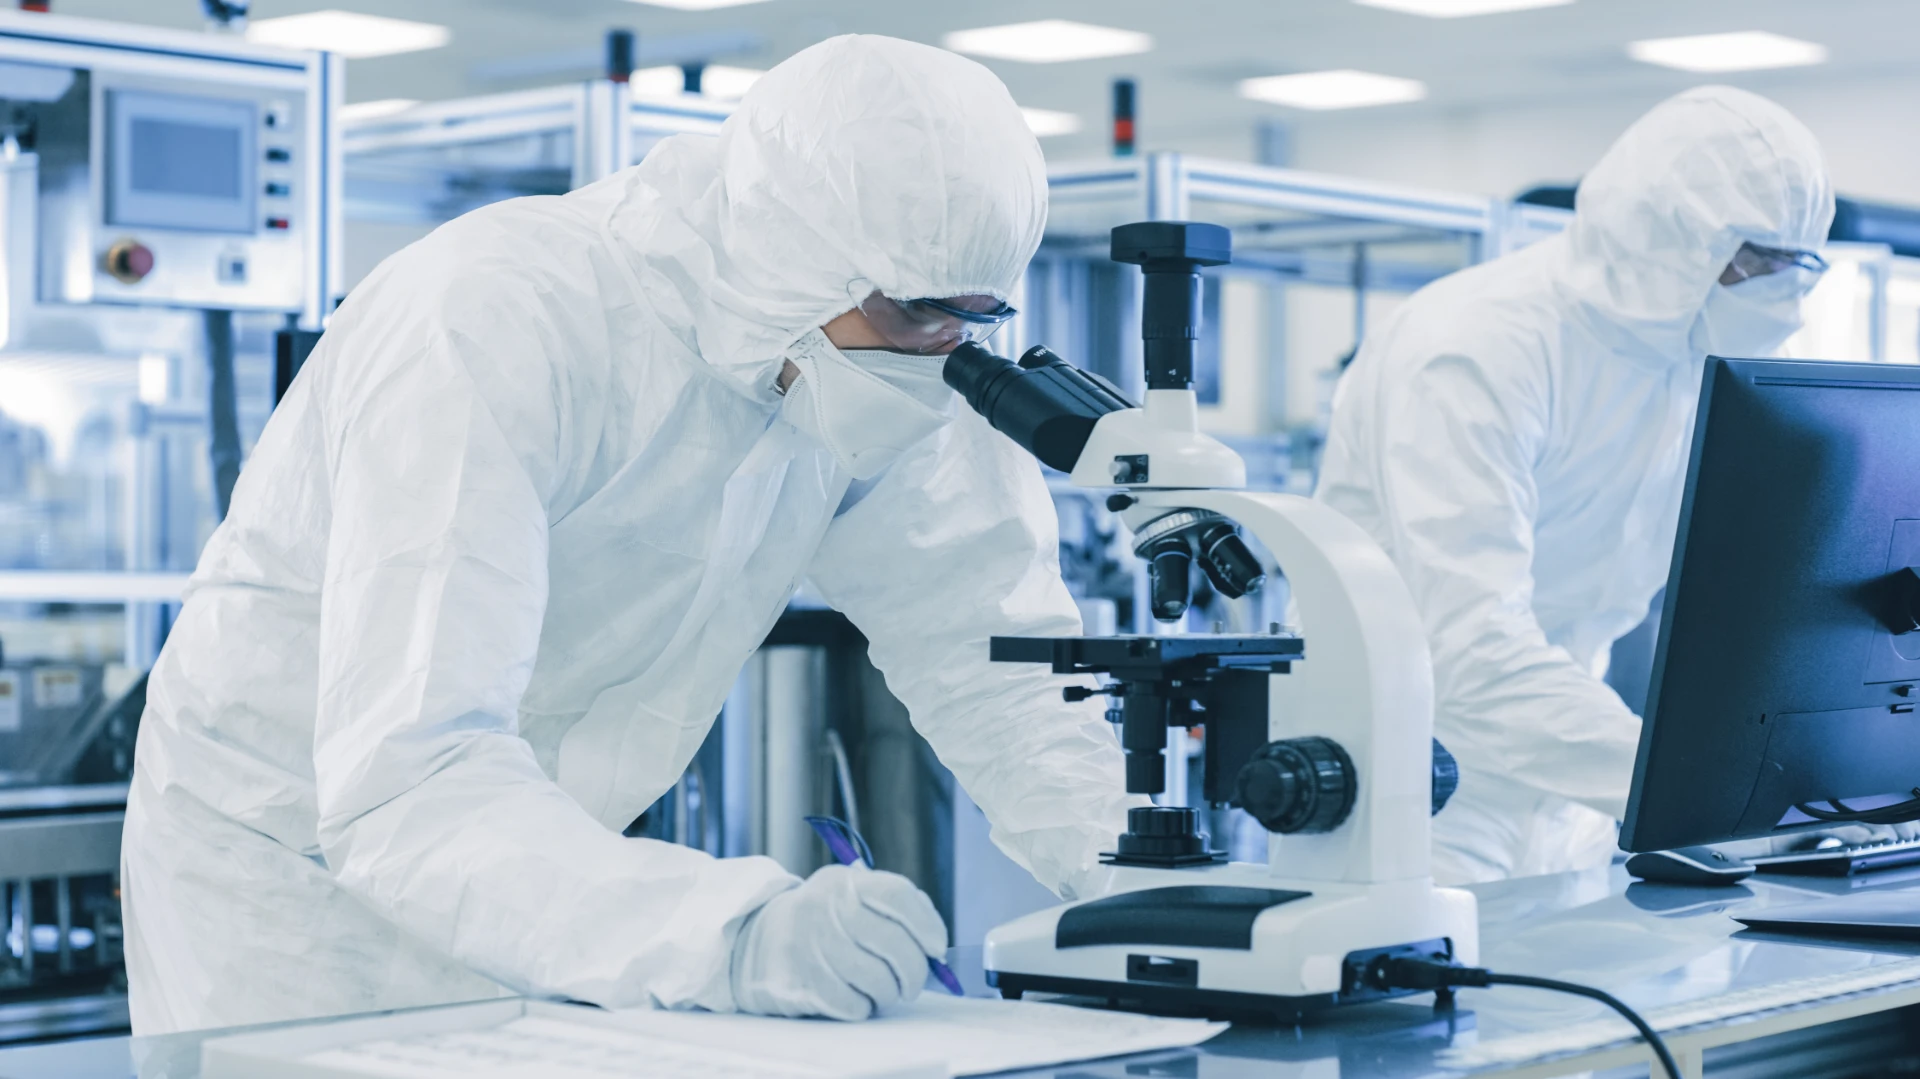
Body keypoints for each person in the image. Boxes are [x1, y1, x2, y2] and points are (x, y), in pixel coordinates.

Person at [120, 35, 1137, 1034]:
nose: (943, 352)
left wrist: (1146, 875)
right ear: (800, 253)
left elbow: (998, 662)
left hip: (541, 875)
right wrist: (729, 935)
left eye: (971, 319)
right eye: (918, 313)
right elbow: (412, 775)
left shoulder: (896, 353)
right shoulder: (496, 317)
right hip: (286, 891)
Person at [1315, 86, 1836, 885]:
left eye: (1796, 265)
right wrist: (1692, 786)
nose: (1780, 294)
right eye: (1756, 263)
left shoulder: (1688, 356)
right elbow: (1468, 648)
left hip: (1575, 767)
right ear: (1668, 239)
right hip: (1418, 770)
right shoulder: (1476, 349)